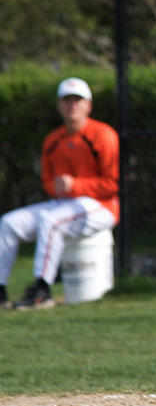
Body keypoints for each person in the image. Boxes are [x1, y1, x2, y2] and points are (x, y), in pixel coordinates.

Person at [1, 78, 119, 310]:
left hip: (100, 206)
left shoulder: (102, 135)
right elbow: (48, 183)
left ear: (88, 105)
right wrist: (58, 187)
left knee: (51, 222)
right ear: (59, 106)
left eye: (77, 100)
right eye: (67, 100)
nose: (72, 106)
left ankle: (42, 289)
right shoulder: (53, 140)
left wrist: (75, 185)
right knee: (8, 223)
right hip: (63, 204)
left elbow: (112, 184)